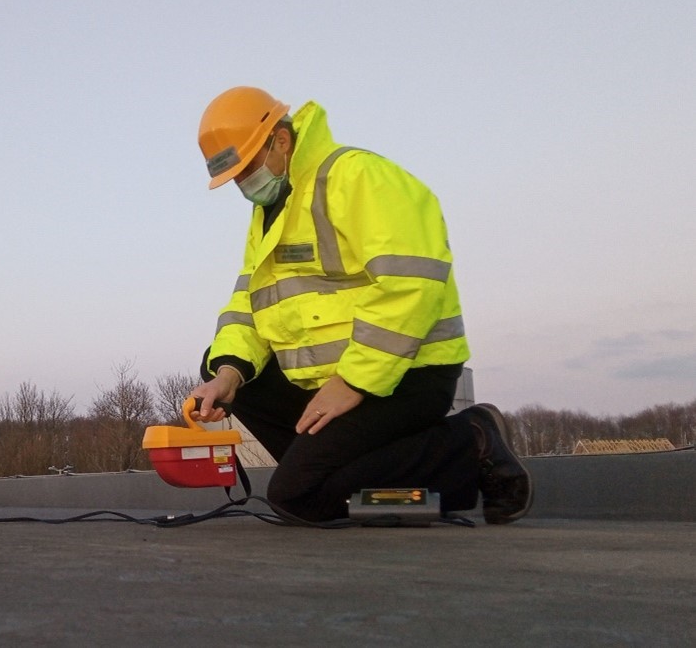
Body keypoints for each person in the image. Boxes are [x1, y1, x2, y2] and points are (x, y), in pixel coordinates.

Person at [187, 86, 532, 524]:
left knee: (299, 497)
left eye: (247, 167)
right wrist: (228, 375)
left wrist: (352, 381)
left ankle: (470, 441)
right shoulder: (273, 211)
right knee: (219, 366)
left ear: (281, 140)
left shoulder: (356, 177)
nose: (243, 183)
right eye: (234, 176)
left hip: (406, 374)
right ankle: (327, 467)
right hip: (334, 379)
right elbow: (248, 308)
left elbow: (410, 283)